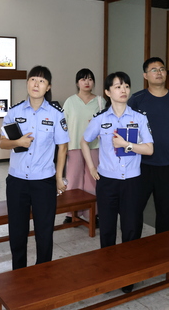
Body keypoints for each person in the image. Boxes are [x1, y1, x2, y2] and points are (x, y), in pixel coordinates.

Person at [80, 71, 153, 293]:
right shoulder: (100, 119)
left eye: (126, 86)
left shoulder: (139, 118)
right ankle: (108, 273)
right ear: (108, 92)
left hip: (132, 182)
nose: (123, 90)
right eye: (118, 86)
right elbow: (84, 141)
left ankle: (128, 275)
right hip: (107, 182)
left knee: (131, 229)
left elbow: (149, 149)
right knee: (107, 229)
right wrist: (91, 167)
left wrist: (126, 145)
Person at [0, 65, 69, 270]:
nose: (36, 84)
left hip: (44, 181)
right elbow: (3, 143)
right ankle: (18, 273)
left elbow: (63, 147)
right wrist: (18, 142)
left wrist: (59, 178)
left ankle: (43, 273)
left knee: (44, 231)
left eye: (41, 81)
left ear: (48, 87)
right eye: (33, 79)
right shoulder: (14, 111)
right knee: (17, 231)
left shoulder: (56, 114)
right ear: (27, 83)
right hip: (17, 181)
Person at [127, 57, 169, 233]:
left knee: (165, 211)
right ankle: (133, 245)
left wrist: (166, 139)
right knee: (135, 209)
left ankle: (163, 246)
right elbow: (127, 126)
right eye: (154, 70)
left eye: (162, 69)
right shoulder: (137, 99)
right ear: (145, 75)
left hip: (167, 164)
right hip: (141, 164)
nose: (159, 72)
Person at [62, 68, 104, 224]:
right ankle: (71, 213)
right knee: (73, 180)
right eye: (83, 79)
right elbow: (63, 125)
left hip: (94, 146)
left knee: (92, 180)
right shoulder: (70, 101)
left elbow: (106, 123)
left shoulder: (100, 101)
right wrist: (63, 147)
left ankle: (93, 213)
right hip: (74, 145)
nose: (87, 82)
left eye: (90, 79)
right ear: (77, 83)